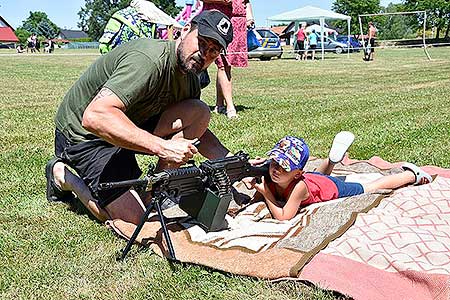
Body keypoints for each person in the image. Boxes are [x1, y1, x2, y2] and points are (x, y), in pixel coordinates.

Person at [45, 10, 234, 224]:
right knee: (134, 221)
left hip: (128, 122)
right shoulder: (148, 61)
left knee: (198, 111)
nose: (204, 54)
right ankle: (63, 176)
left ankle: (156, 191)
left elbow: (194, 129)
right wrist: (163, 147)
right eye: (201, 42)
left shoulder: (190, 76)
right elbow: (95, 117)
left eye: (213, 51)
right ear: (184, 31)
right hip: (85, 135)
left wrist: (231, 162)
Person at [244, 133, 432, 221]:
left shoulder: (298, 186)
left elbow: (284, 216)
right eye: (275, 162)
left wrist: (266, 192)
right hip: (312, 179)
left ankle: (410, 175)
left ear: (296, 173)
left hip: (330, 188)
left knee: (370, 187)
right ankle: (332, 160)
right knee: (316, 176)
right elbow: (262, 184)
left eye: (284, 167)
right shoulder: (276, 173)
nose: (276, 169)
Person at [203, 0, 254, 119]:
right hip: (219, 19)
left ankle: (219, 105)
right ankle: (230, 107)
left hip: (237, 23)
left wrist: (249, 16)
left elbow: (246, 1)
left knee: (226, 65)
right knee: (223, 64)